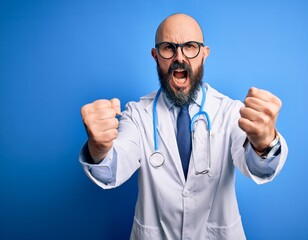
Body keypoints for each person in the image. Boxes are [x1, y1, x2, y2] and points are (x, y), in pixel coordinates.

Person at [79, 13, 288, 240]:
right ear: (156, 56)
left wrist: (264, 143)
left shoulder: (229, 112)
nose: (180, 57)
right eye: (169, 48)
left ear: (204, 55)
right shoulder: (137, 114)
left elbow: (257, 168)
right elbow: (113, 170)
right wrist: (99, 149)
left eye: (190, 46)